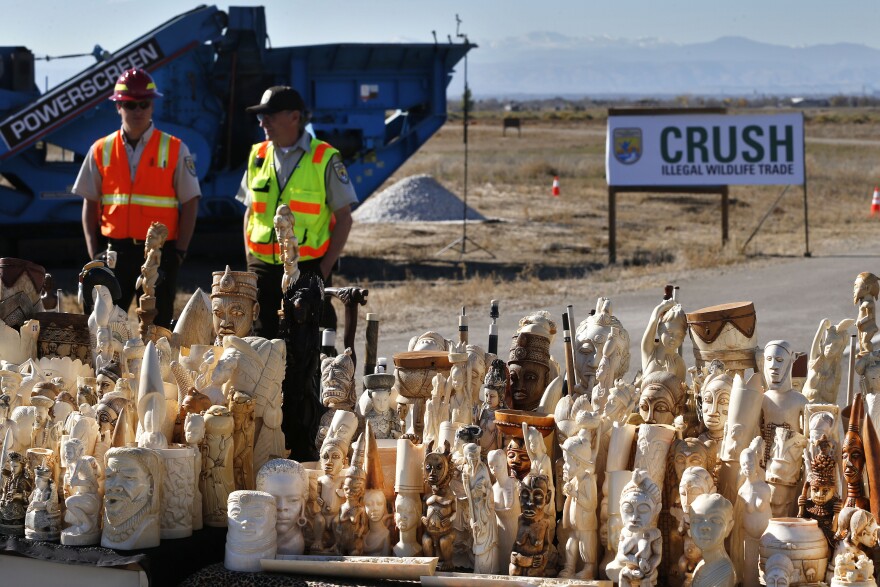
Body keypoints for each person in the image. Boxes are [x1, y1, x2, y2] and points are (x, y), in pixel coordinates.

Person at [74, 68, 201, 329]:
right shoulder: (101, 149)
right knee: (106, 327)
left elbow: (190, 202)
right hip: (115, 251)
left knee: (159, 327)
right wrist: (94, 251)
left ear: (152, 106)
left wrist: (179, 253)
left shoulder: (175, 148)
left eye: (144, 104)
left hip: (159, 253)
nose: (138, 110)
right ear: (118, 106)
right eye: (131, 104)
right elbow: (90, 202)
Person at [237, 86, 356, 338]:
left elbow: (345, 219)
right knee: (261, 345)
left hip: (308, 269)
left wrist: (323, 271)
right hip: (261, 270)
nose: (263, 122)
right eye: (261, 116)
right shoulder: (257, 154)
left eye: (270, 115)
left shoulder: (325, 157)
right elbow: (250, 211)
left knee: (309, 347)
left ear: (294, 117)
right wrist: (250, 258)